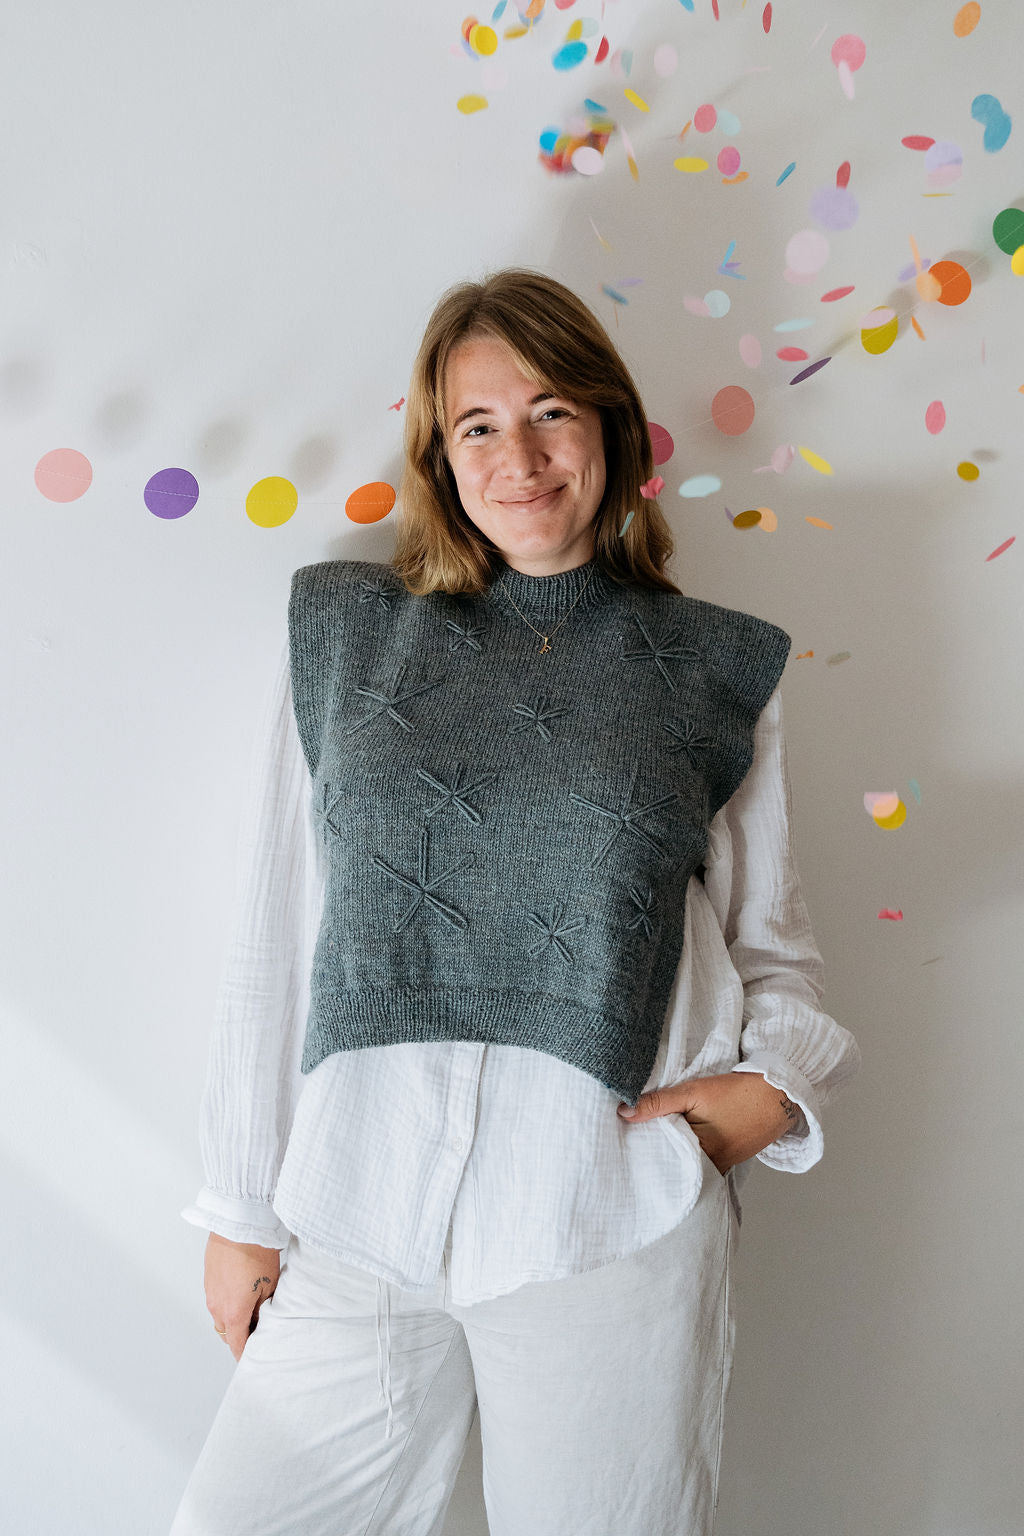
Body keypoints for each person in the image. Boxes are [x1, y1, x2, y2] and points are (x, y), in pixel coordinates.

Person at [170, 267, 860, 1536]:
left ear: (610, 427)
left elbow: (778, 956)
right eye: (476, 426)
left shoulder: (718, 666)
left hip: (603, 1215)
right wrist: (237, 1205)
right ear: (439, 455)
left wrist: (769, 1096)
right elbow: (272, 931)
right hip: (356, 1207)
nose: (518, 456)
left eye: (550, 413)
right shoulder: (343, 631)